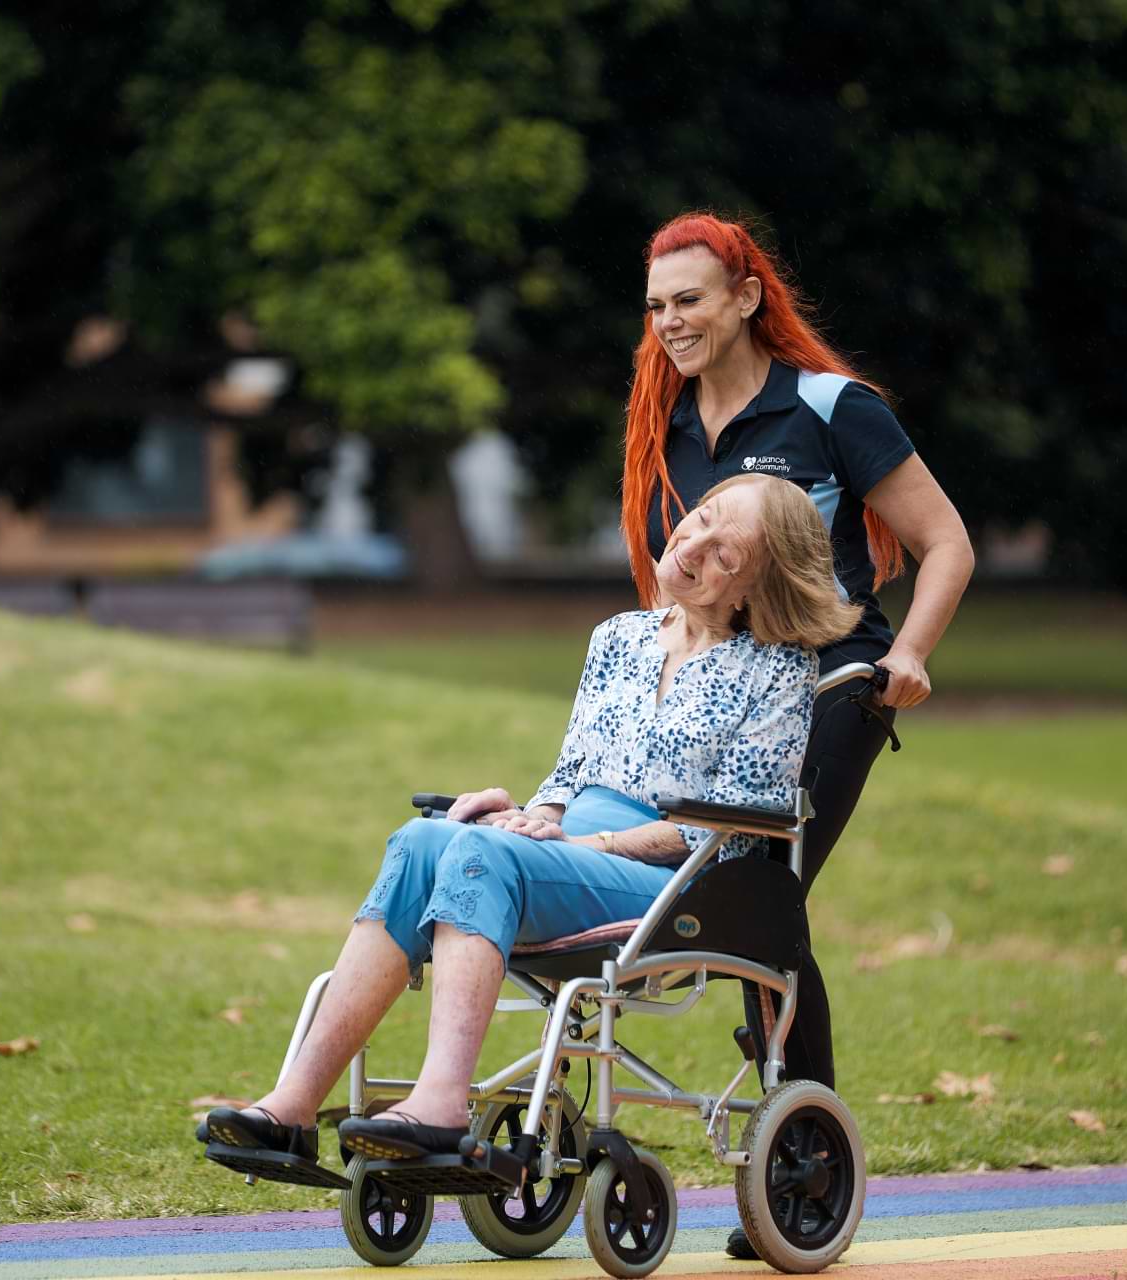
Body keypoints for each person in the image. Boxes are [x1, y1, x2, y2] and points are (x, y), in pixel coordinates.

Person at [199, 473, 864, 1165]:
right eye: (699, 519)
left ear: (758, 585)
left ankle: (440, 1105)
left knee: (482, 855)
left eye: (726, 553)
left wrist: (576, 837)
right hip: (572, 854)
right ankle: (293, 1107)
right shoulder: (619, 637)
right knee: (425, 838)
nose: (693, 545)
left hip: (676, 883)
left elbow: (728, 830)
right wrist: (529, 814)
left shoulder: (776, 670)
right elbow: (571, 773)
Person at [623, 211, 974, 1257]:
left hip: (834, 689)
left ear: (744, 295)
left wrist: (909, 654)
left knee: (749, 888)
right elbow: (661, 587)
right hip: (723, 694)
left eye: (688, 298)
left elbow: (944, 541)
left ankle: (799, 1155)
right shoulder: (664, 424)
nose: (670, 320)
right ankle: (801, 1145)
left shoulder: (831, 407)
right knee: (740, 898)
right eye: (655, 305)